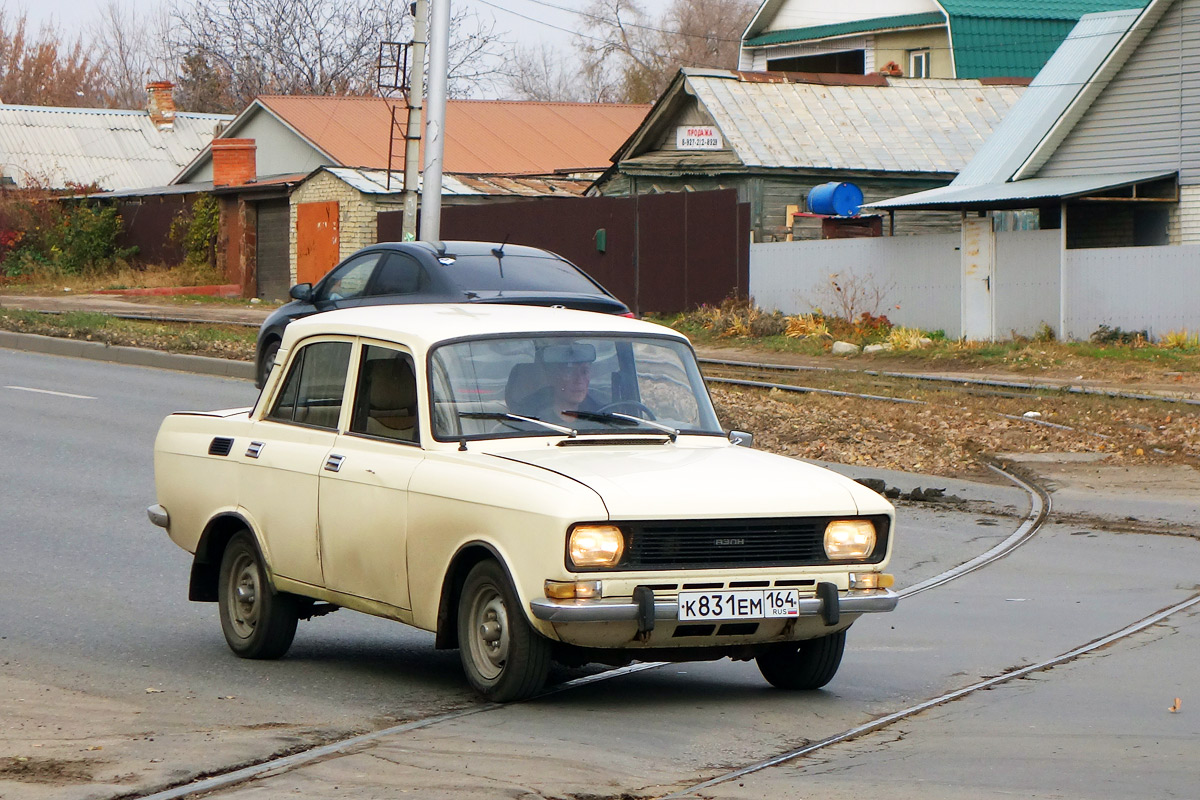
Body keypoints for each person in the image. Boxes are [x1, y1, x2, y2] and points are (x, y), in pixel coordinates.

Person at [526, 343, 600, 423]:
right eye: (570, 372)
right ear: (552, 377)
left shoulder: (600, 415)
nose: (579, 380)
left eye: (585, 371)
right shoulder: (531, 421)